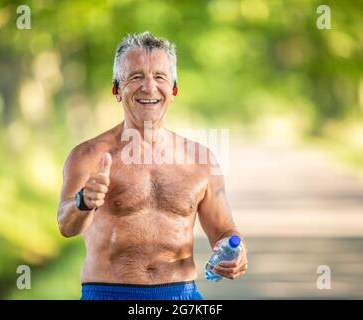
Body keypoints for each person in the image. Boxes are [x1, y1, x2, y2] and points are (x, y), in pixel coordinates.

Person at [57, 32, 247, 300]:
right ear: (116, 90)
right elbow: (66, 226)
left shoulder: (201, 160)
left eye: (159, 77)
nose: (148, 87)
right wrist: (83, 201)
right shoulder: (87, 156)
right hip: (107, 293)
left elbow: (224, 230)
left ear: (173, 90)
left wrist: (234, 250)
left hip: (182, 296)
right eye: (135, 77)